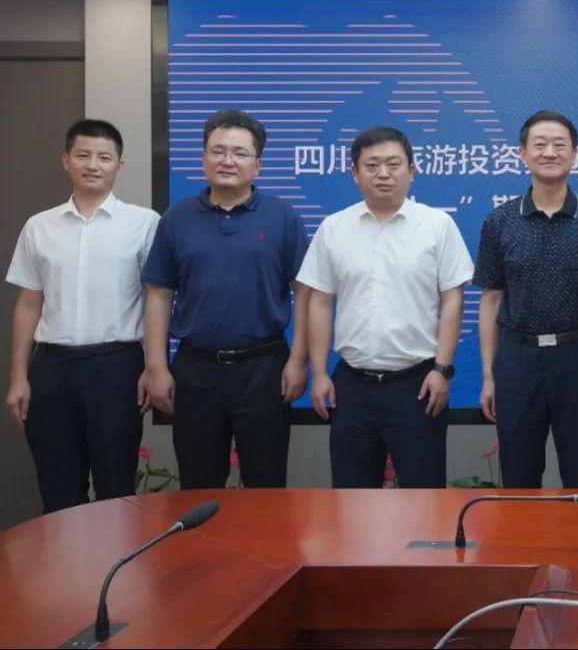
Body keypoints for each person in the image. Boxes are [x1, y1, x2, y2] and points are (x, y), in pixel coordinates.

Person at [141, 109, 309, 489]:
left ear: (257, 165)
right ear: (203, 159)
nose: (227, 161)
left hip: (263, 369)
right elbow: (159, 295)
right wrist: (156, 366)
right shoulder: (176, 219)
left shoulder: (283, 217)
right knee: (198, 484)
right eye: (218, 151)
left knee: (266, 484)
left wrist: (298, 361)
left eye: (239, 153)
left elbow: (305, 294)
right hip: (195, 369)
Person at [299, 126, 473, 488]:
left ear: (411, 170)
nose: (383, 173)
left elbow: (453, 299)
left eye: (393, 164)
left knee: (424, 497)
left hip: (418, 385)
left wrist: (442, 369)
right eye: (372, 165)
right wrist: (318, 373)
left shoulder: (437, 226)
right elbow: (320, 301)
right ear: (355, 173)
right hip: (352, 386)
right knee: (351, 498)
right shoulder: (334, 228)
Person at [5, 119, 159, 513]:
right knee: (58, 489)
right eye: (83, 155)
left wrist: (153, 366)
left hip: (116, 366)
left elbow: (157, 301)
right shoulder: (39, 226)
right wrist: (19, 377)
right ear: (66, 160)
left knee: (116, 489)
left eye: (104, 157)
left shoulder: (144, 224)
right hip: (51, 368)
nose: (93, 165)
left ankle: (115, 557)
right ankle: (64, 557)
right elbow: (28, 303)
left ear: (119, 166)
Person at [473, 110, 578, 488]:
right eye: (539, 144)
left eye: (559, 145)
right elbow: (490, 301)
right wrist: (489, 376)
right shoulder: (499, 221)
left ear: (575, 155)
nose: (549, 152)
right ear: (522, 153)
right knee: (518, 477)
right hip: (518, 359)